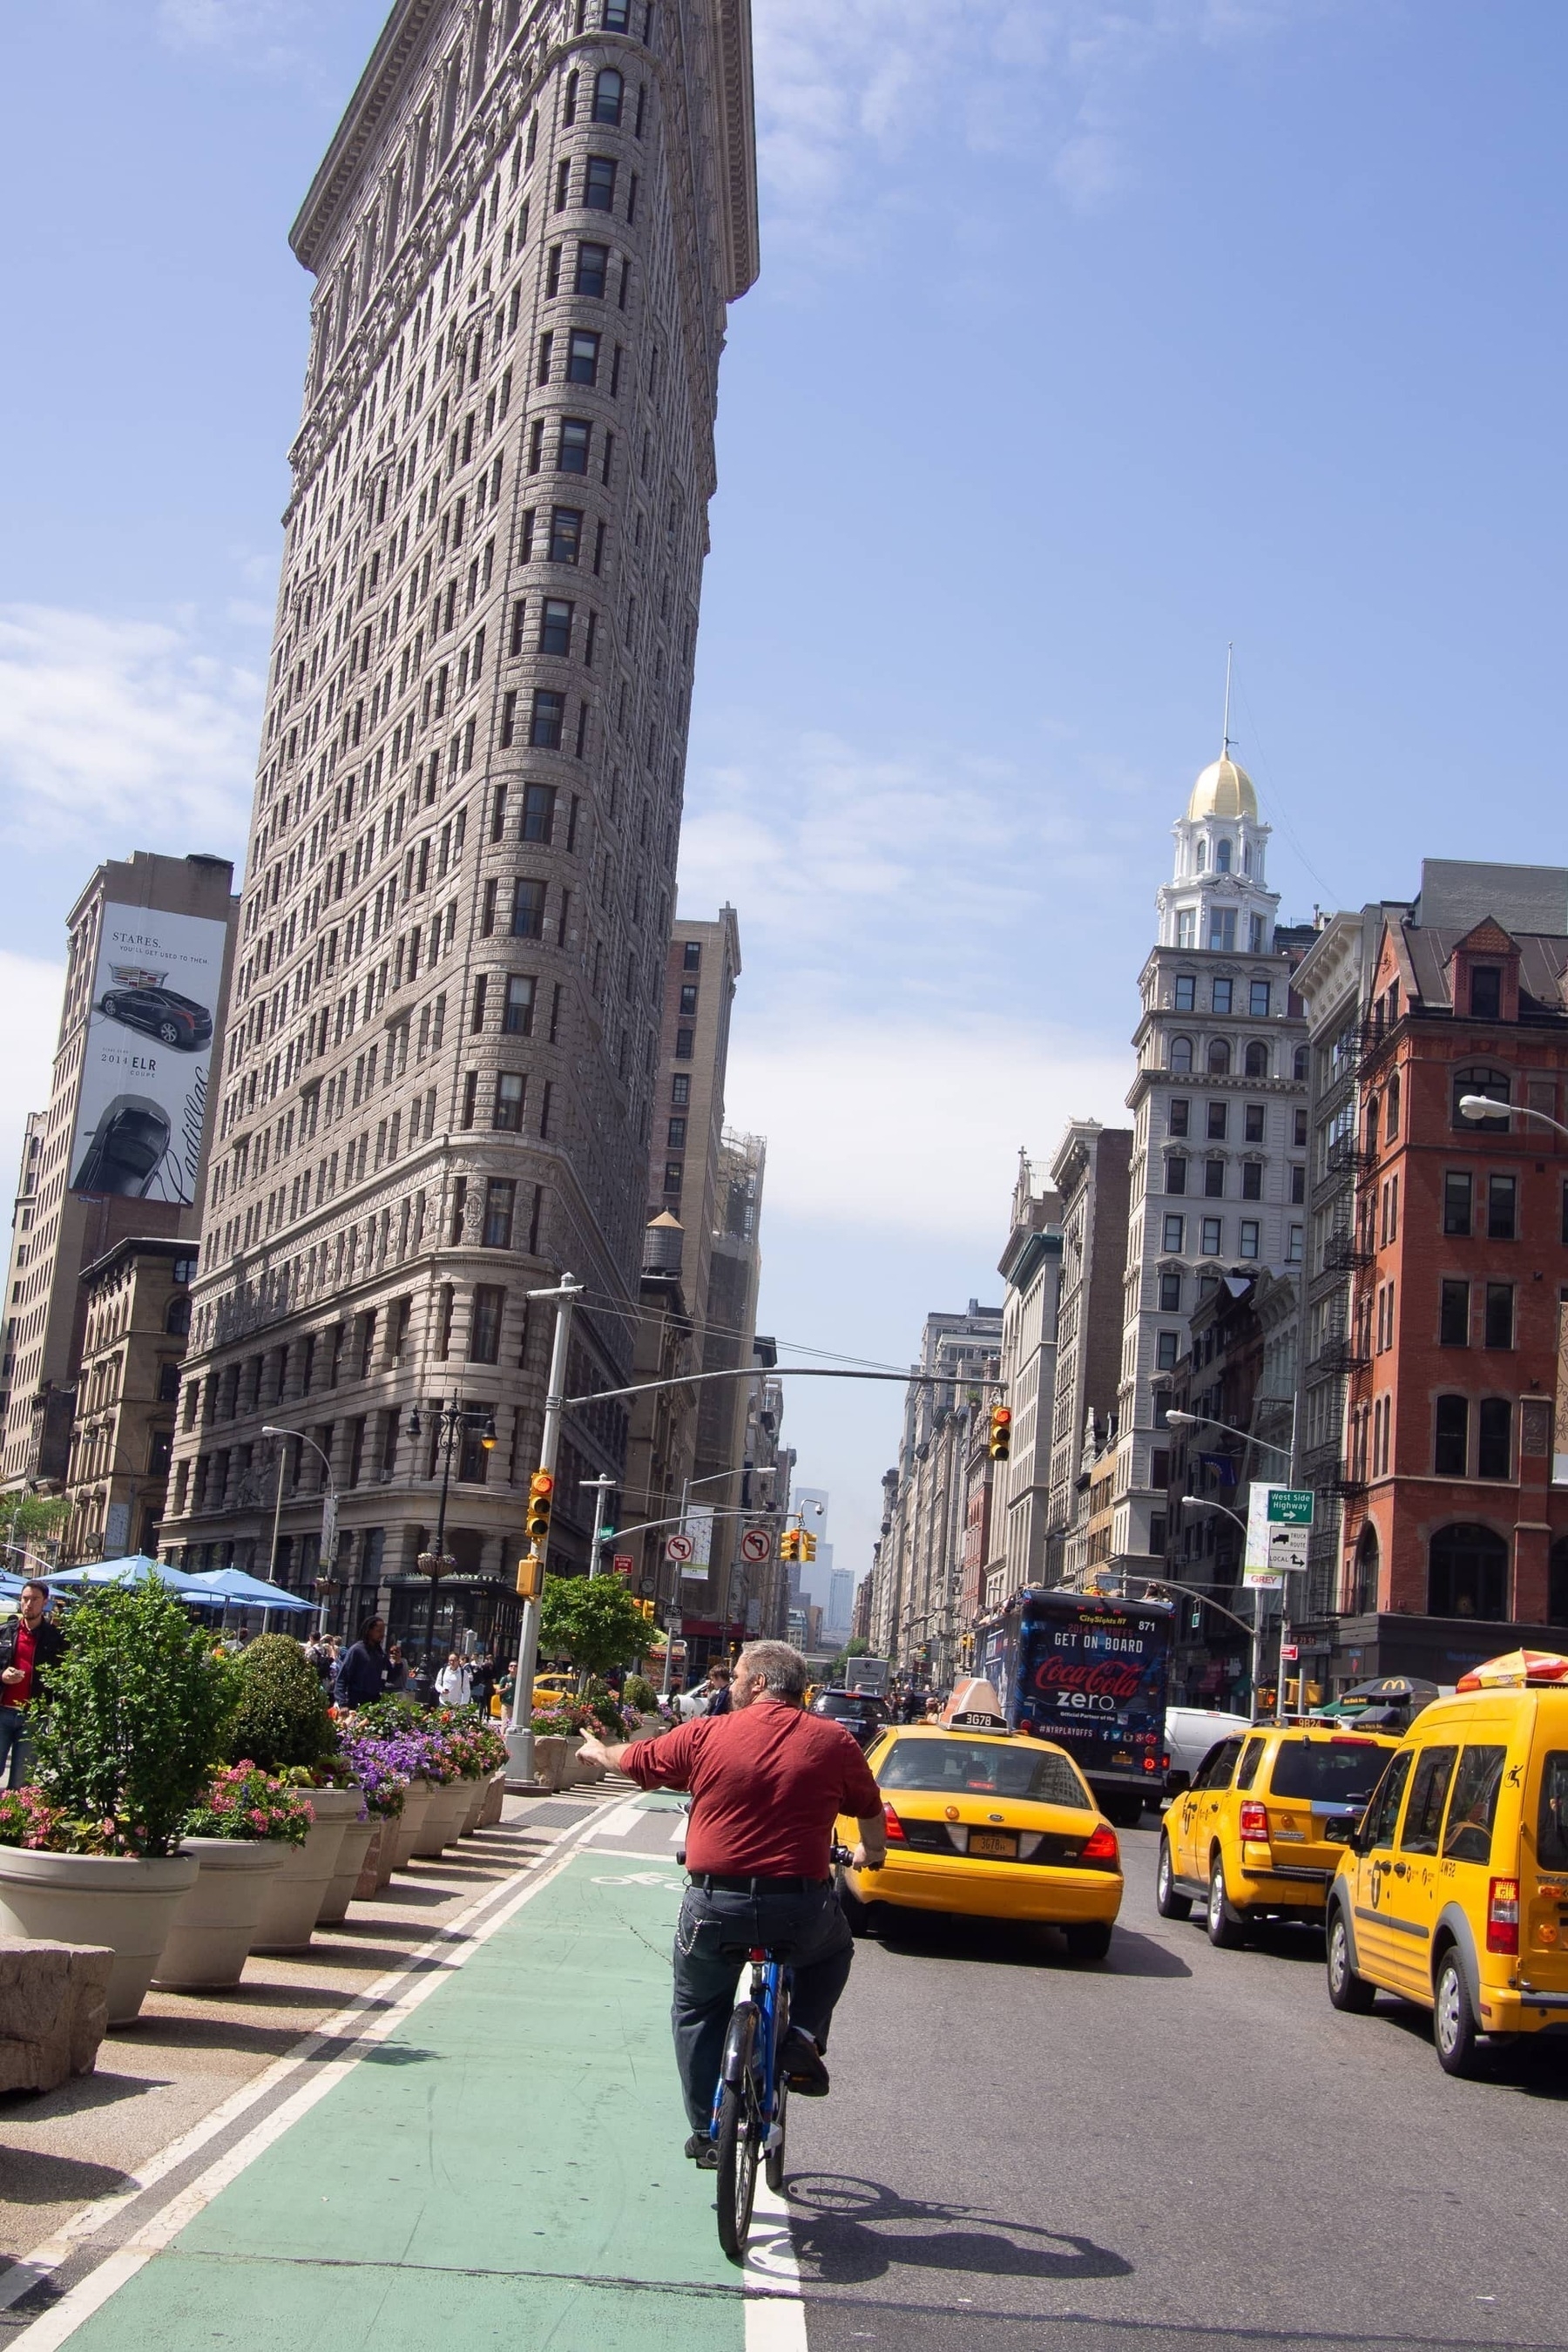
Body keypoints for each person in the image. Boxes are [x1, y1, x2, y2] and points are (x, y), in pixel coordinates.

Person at [578, 1638, 887, 2167]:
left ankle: (705, 2132)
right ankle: (804, 2037)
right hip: (800, 1906)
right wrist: (870, 1854)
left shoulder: (707, 1733)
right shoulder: (834, 1741)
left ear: (760, 1683)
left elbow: (634, 1760)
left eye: (739, 1676)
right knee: (834, 1951)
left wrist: (597, 1750)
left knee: (697, 2008)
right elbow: (871, 1811)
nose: (732, 1684)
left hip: (715, 1905)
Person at [0, 1581, 66, 1788]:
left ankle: (13, 1820)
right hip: (2, 1713)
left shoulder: (55, 1638)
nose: (28, 1604)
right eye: (25, 1599)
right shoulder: (5, 1632)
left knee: (22, 1780)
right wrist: (2, 1674)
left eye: (34, 1600)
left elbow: (62, 1679)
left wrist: (63, 1716)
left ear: (45, 1603)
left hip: (33, 1717)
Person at [335, 1616, 389, 1710]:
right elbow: (342, 1678)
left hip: (375, 1702)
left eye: (383, 1631)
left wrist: (398, 1664)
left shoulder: (380, 1653)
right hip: (356, 1701)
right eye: (379, 1631)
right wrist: (342, 1704)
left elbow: (390, 1675)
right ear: (369, 1631)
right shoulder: (356, 1650)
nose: (382, 1634)